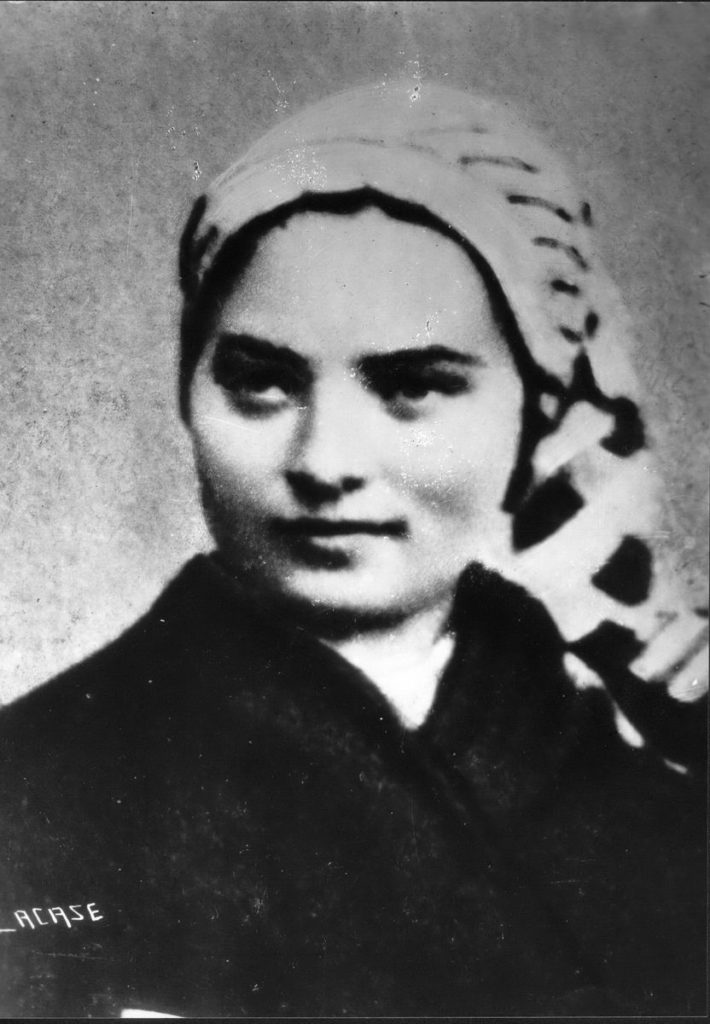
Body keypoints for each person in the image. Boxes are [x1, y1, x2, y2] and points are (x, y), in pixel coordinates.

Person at [0, 82, 706, 1018]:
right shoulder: (36, 793)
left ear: (538, 410)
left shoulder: (648, 781)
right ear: (187, 392)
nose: (324, 461)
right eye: (262, 381)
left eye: (412, 386)